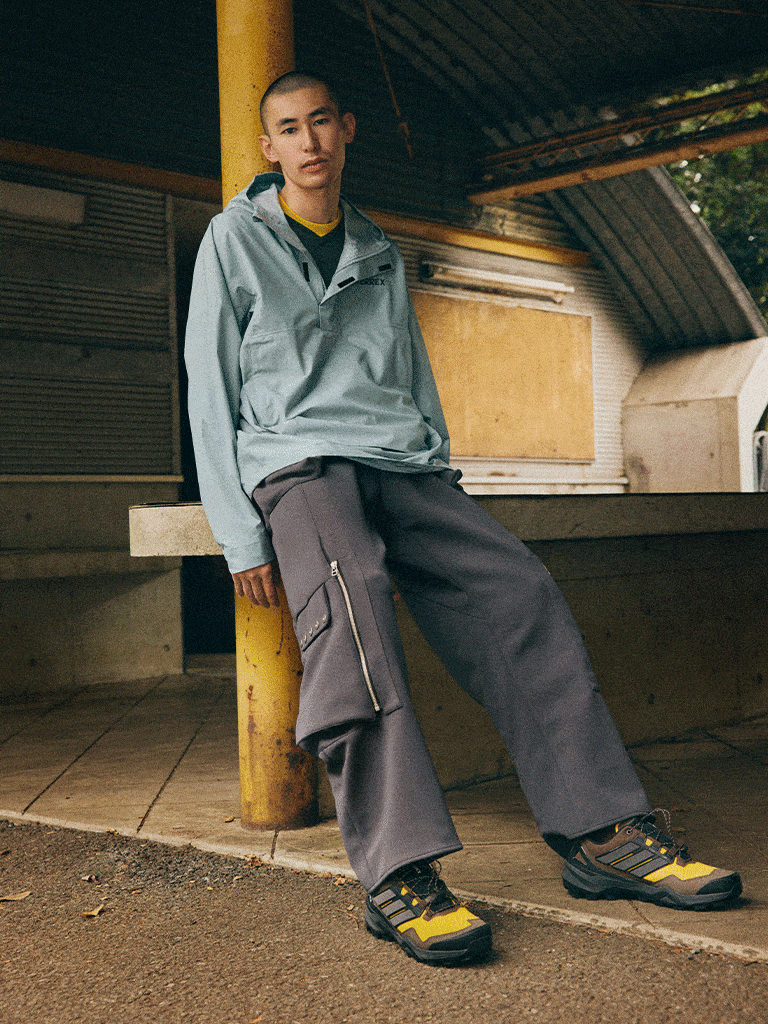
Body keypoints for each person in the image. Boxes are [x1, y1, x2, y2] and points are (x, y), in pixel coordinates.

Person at [185, 71, 742, 965]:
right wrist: (238, 532)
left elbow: (412, 371)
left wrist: (438, 476)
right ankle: (398, 872)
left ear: (346, 129)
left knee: (518, 589)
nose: (308, 141)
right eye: (288, 128)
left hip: (401, 462)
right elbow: (207, 385)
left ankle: (603, 834)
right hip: (300, 467)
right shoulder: (232, 238)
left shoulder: (374, 245)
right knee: (356, 616)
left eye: (320, 121)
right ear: (269, 147)